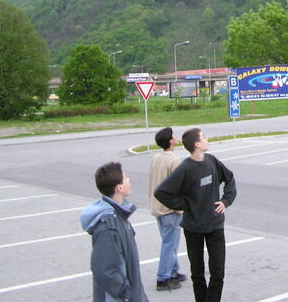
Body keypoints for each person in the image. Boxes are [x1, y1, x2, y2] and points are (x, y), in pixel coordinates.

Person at [155, 128, 237, 302]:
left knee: (218, 273)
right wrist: (186, 205)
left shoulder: (212, 161)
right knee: (197, 274)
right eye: (204, 137)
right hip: (193, 228)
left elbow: (230, 178)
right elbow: (162, 193)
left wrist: (226, 200)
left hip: (215, 226)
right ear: (197, 144)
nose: (207, 139)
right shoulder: (185, 168)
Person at [80, 162, 148, 302]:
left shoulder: (119, 215)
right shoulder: (108, 226)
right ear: (119, 188)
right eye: (125, 178)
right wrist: (126, 294)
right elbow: (104, 270)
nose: (129, 180)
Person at [148, 127, 186, 291]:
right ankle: (163, 278)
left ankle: (173, 271)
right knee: (169, 244)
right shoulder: (174, 161)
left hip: (157, 207)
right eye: (174, 135)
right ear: (171, 141)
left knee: (169, 242)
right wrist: (181, 207)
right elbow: (180, 186)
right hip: (170, 209)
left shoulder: (156, 158)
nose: (176, 137)